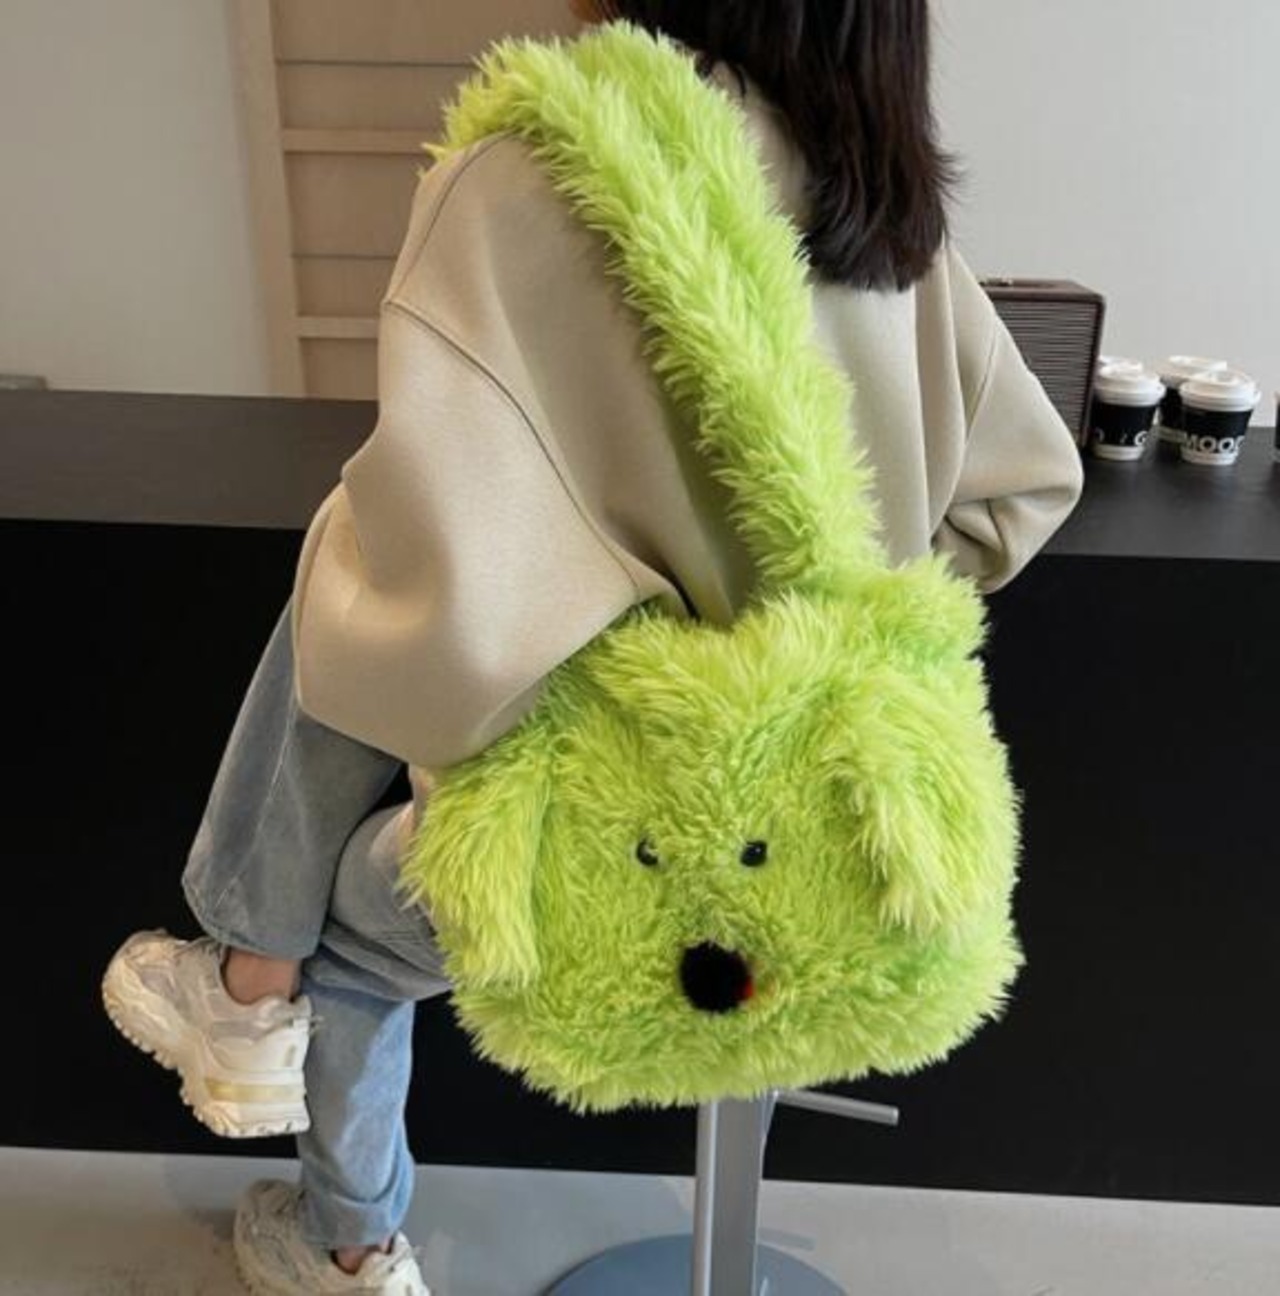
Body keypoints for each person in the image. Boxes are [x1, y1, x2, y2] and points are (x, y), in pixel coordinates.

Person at [102, 2, 1085, 1292]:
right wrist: (798, 661)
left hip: (596, 856)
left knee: (347, 722)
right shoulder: (888, 211)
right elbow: (1022, 492)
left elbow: (444, 607)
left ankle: (333, 1204)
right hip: (840, 856)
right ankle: (255, 986)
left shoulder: (531, 172)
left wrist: (619, 672)